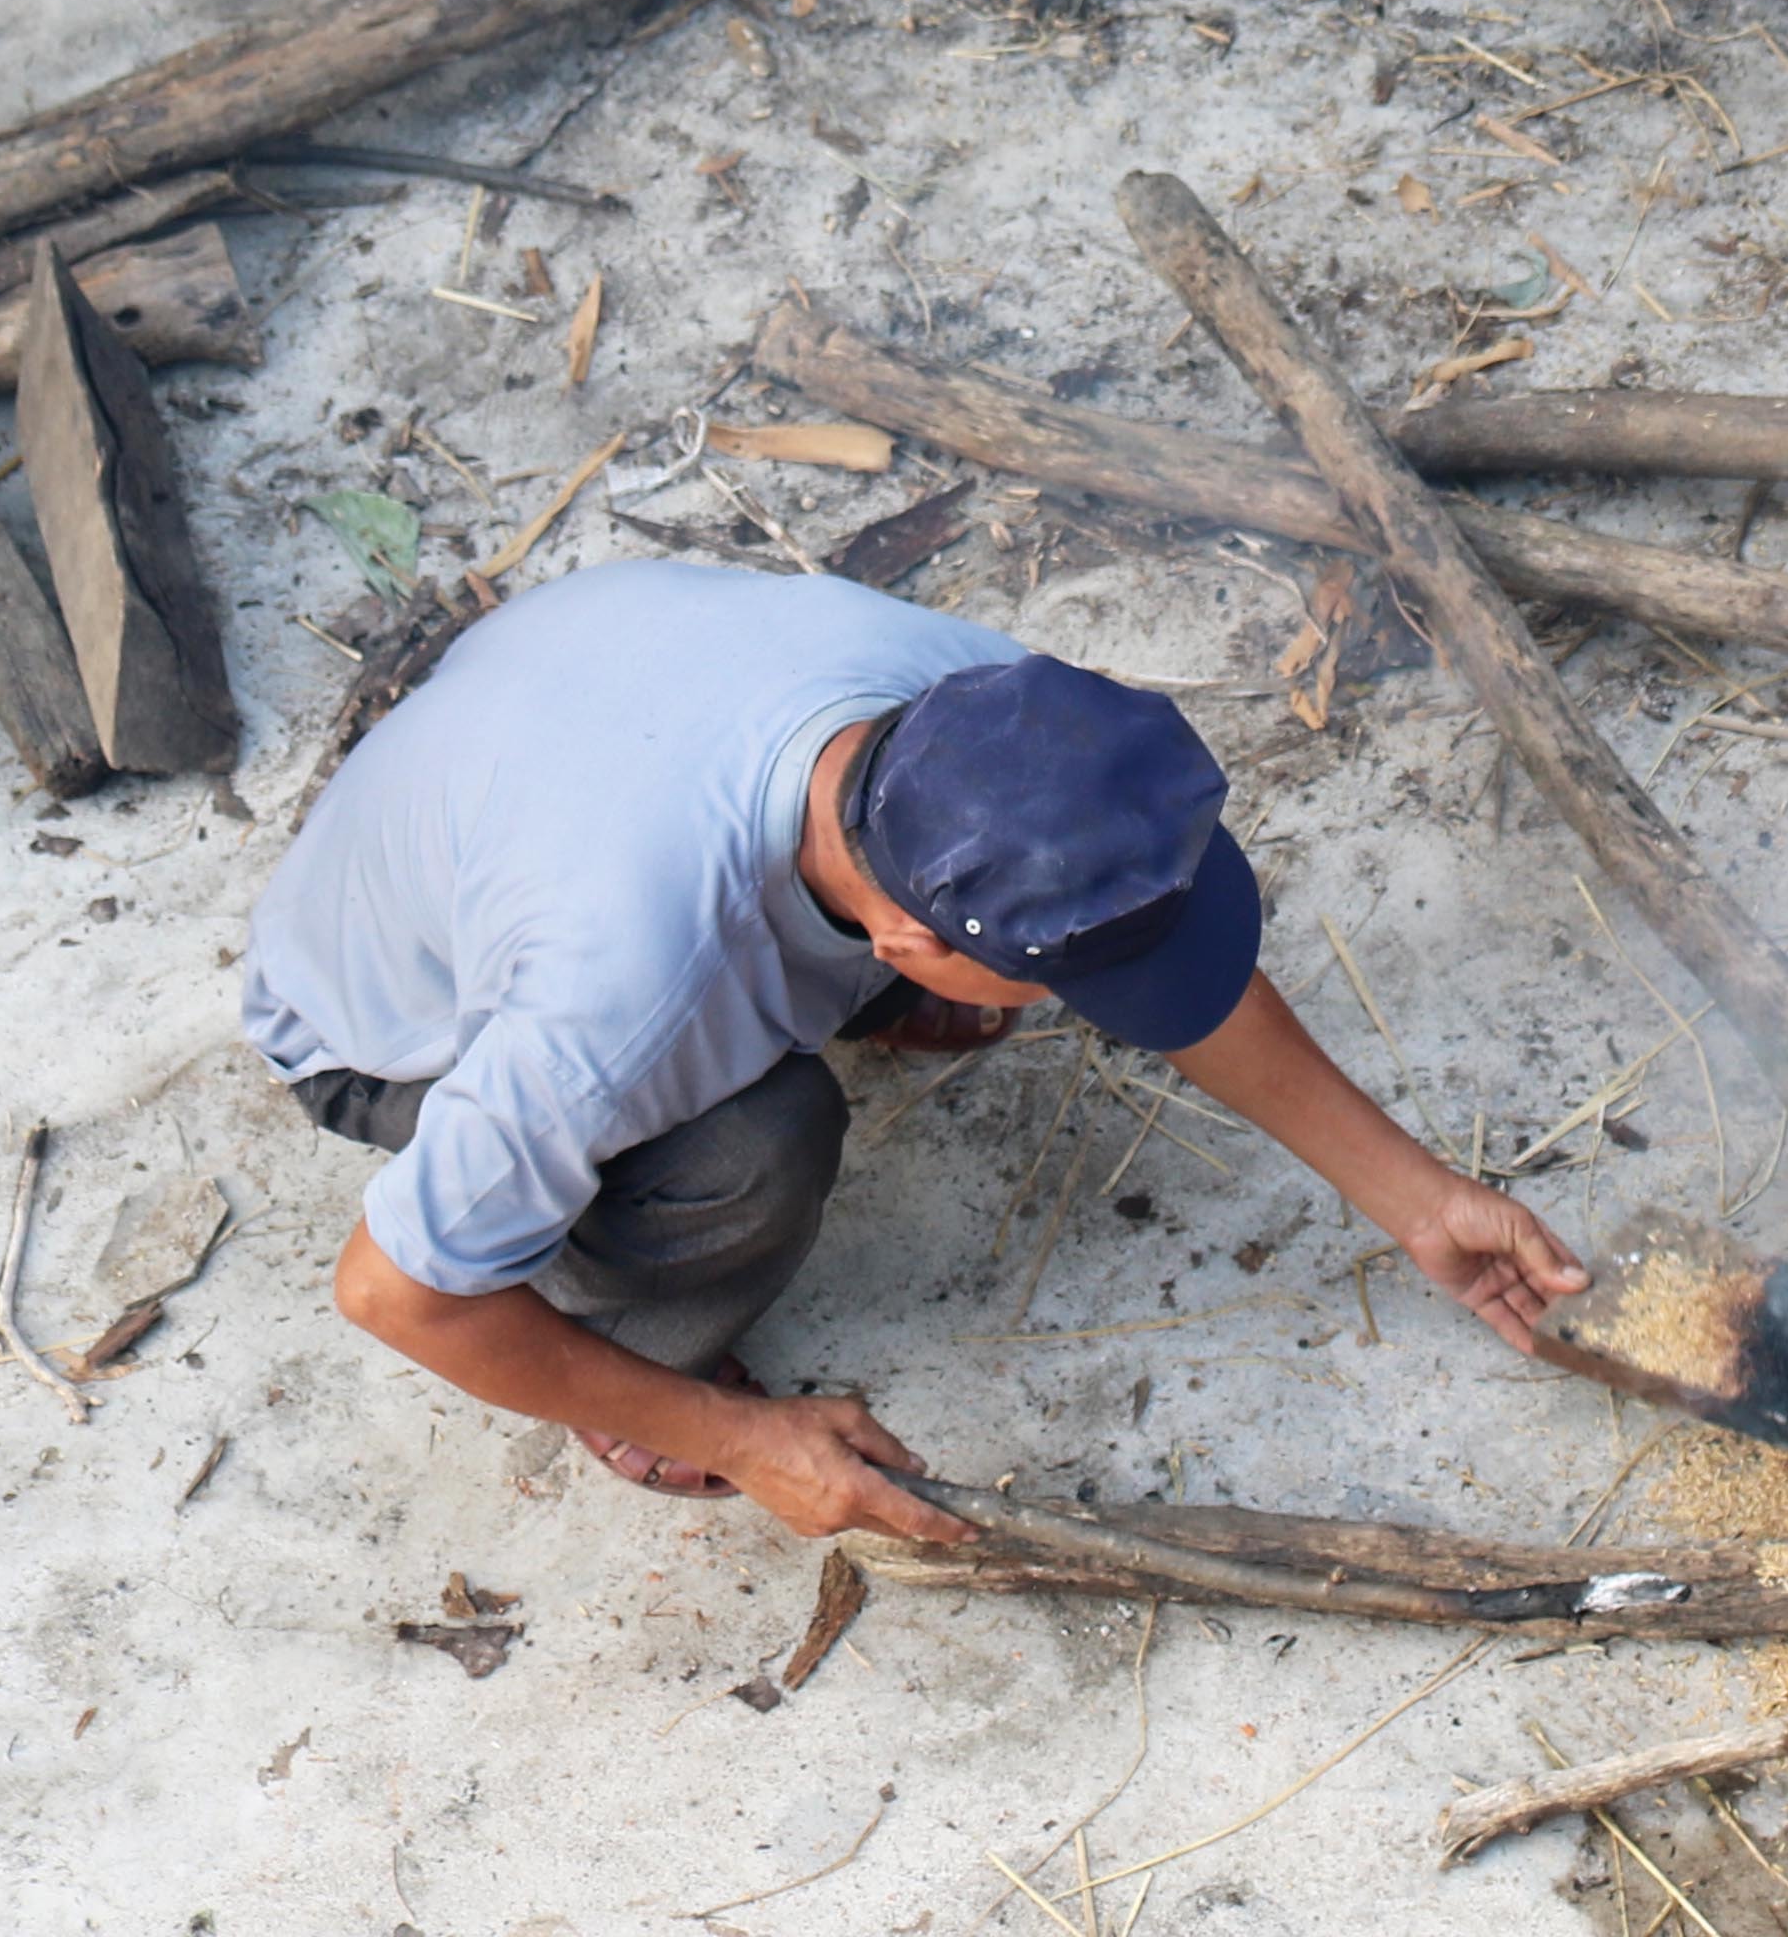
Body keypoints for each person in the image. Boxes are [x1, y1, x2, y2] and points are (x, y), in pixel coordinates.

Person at [241, 563, 1583, 1540]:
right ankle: (641, 1362)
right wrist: (740, 1438)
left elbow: (1177, 962)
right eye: (1066, 972)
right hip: (377, 1011)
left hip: (551, 715)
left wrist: (1420, 1200)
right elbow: (395, 1294)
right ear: (901, 937)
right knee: (762, 1140)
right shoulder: (618, 1004)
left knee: (865, 983)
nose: (1100, 998)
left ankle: (834, 996)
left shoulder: (986, 709)